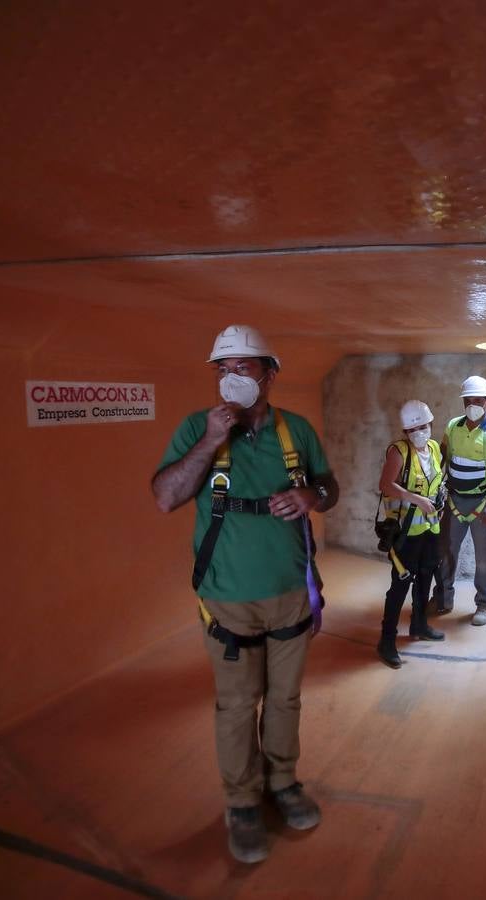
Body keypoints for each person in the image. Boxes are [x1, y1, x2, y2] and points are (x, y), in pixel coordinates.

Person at [151, 324, 339, 865]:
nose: (231, 377)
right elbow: (165, 498)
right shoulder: (197, 428)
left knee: (285, 698)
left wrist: (310, 494)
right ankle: (242, 803)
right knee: (236, 704)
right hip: (228, 597)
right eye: (223, 368)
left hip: (290, 593)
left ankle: (282, 783)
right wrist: (212, 439)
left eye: (244, 367)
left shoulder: (295, 431)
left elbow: (329, 488)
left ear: (269, 375)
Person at [431, 375, 486, 626]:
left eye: (478, 400)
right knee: (446, 551)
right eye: (468, 400)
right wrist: (434, 492)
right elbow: (442, 458)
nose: (472, 405)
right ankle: (443, 598)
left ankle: (485, 603)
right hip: (454, 501)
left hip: (480, 504)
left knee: (484, 557)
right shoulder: (453, 427)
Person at [375, 400, 447, 667]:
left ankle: (419, 625)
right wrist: (416, 499)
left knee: (426, 573)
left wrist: (436, 504)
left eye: (424, 426)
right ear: (405, 431)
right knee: (401, 582)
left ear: (430, 424)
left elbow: (437, 482)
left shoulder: (434, 449)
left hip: (430, 526)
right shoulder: (399, 452)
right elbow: (386, 485)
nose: (419, 432)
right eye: (413, 429)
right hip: (406, 530)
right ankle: (386, 640)